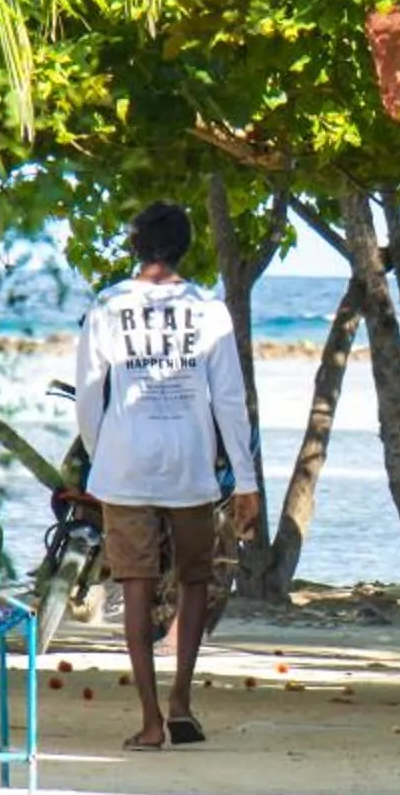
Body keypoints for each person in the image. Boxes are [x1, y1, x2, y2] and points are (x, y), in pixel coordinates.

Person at [73, 201, 261, 749]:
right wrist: (245, 481)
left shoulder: (107, 306)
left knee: (136, 585)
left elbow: (89, 394)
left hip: (126, 463)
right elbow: (229, 399)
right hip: (190, 464)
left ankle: (151, 720)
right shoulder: (209, 309)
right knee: (195, 580)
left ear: (135, 246)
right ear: (185, 247)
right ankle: (182, 699)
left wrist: (98, 452)